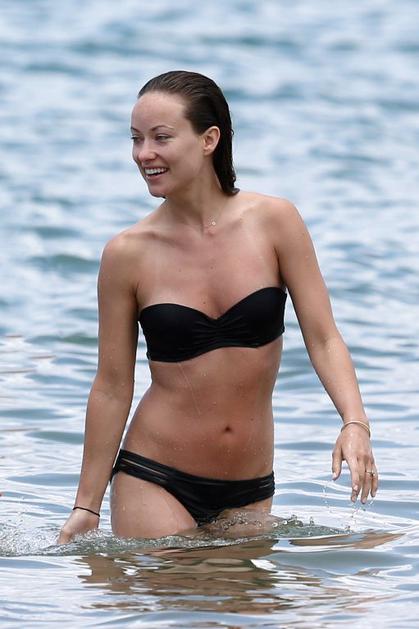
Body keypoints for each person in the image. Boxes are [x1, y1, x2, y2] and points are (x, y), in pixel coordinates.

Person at [58, 70, 378, 543]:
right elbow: (111, 385)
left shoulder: (275, 222)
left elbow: (324, 337)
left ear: (209, 139)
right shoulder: (127, 254)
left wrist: (355, 422)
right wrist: (86, 506)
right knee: (180, 586)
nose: (143, 154)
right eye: (136, 139)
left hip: (250, 487)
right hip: (153, 476)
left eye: (161, 137)